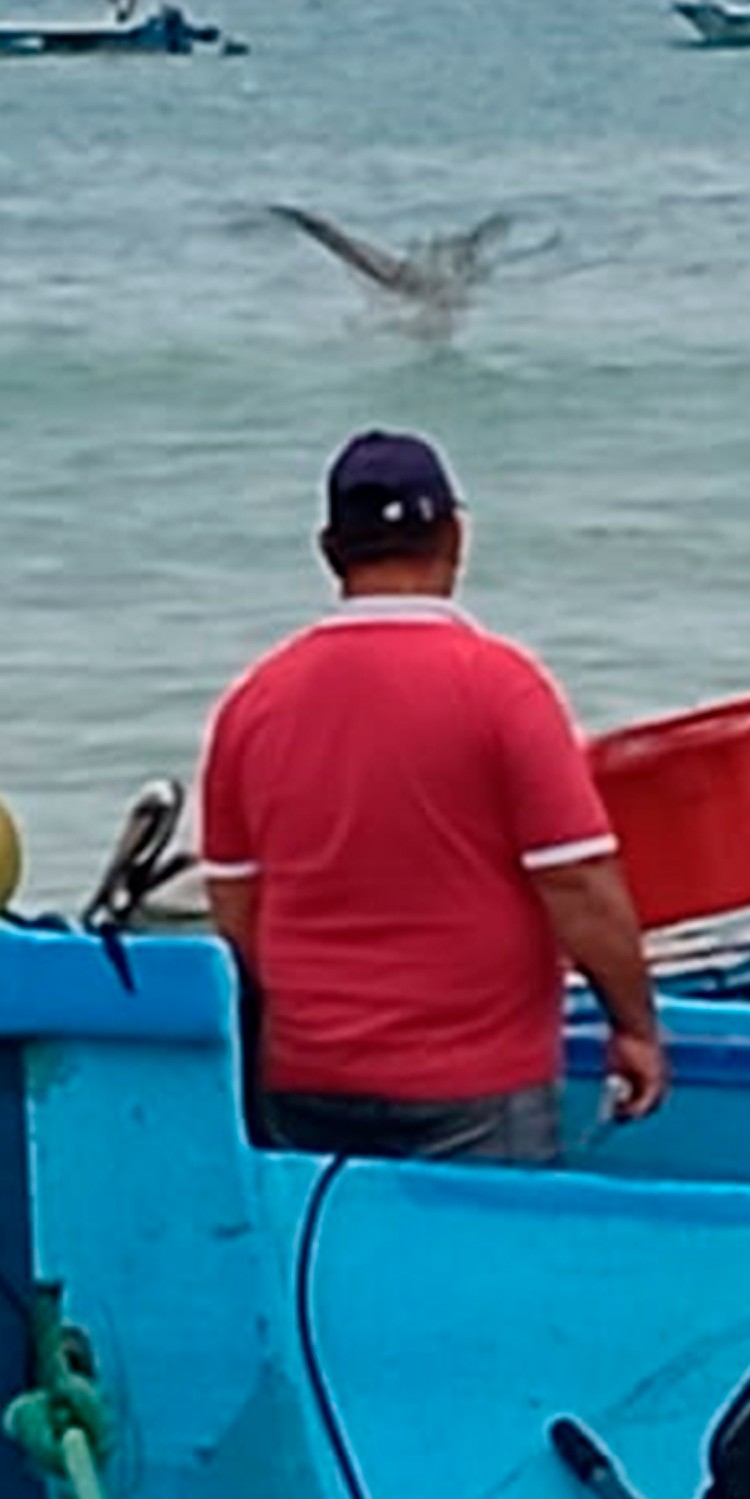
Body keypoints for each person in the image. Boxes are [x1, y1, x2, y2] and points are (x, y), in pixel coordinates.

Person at [199, 430, 666, 1163]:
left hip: (307, 1079)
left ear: (330, 551)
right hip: (478, 1082)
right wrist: (634, 1026)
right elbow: (577, 882)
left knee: (332, 1242)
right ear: (455, 537)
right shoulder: (502, 689)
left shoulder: (254, 702)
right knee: (486, 1241)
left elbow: (236, 907)